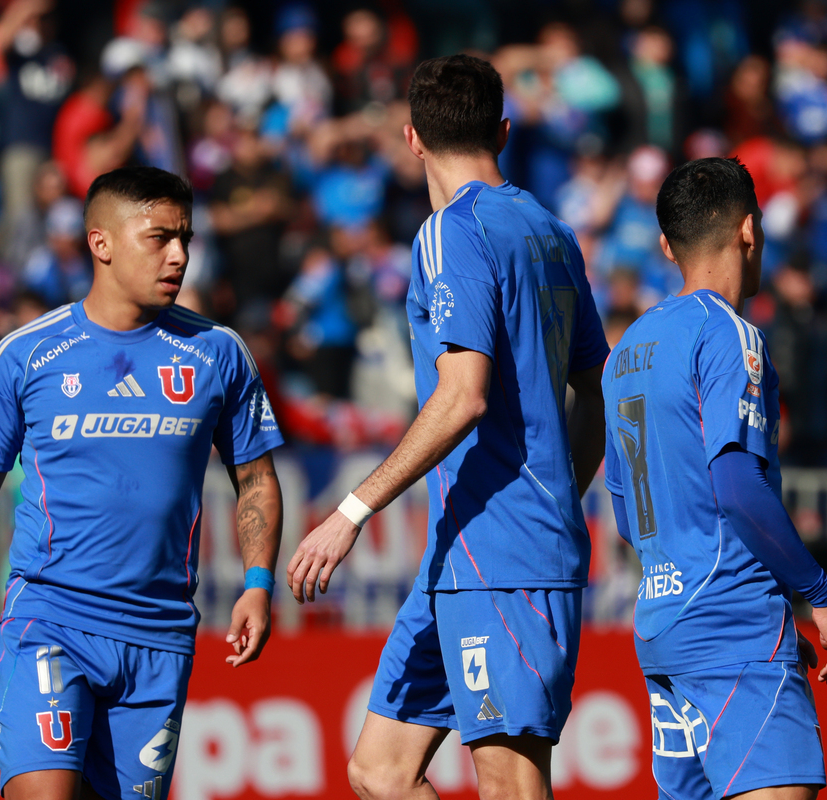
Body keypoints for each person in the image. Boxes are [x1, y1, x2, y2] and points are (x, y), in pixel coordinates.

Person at [0, 166, 285, 800]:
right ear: (100, 242)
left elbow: (257, 479)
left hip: (160, 635)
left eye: (186, 238)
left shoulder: (218, 353)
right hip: (52, 618)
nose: (179, 255)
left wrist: (257, 582)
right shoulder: (29, 353)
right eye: (159, 236)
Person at [287, 55, 609, 799]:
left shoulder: (448, 232)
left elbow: (462, 396)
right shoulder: (551, 230)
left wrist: (350, 511)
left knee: (510, 785)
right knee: (380, 771)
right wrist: (564, 486)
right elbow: (594, 379)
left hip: (504, 552)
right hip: (464, 554)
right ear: (502, 129)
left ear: (410, 138)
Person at [602, 157, 827, 800]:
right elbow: (738, 486)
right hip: (732, 624)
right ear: (749, 230)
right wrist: (816, 593)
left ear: (666, 244)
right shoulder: (731, 334)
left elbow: (627, 513)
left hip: (664, 628)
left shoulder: (628, 347)